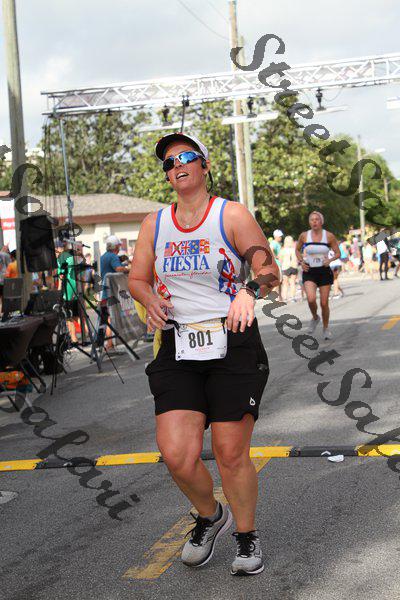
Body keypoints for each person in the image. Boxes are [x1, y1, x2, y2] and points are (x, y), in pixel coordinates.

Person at [128, 132, 280, 576]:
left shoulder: (229, 214)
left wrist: (249, 291)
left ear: (205, 165)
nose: (177, 165)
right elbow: (137, 278)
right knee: (177, 454)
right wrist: (149, 299)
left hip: (232, 340)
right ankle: (211, 515)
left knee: (230, 453)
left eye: (186, 157)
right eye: (169, 162)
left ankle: (247, 537)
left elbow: (268, 267)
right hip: (178, 344)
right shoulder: (155, 224)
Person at [295, 211, 340, 340]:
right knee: (311, 299)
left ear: (321, 222)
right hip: (309, 270)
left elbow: (338, 253)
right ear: (309, 222)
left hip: (324, 271)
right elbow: (297, 250)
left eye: (317, 219)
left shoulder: (329, 236)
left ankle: (326, 328)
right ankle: (315, 317)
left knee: (324, 303)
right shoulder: (304, 236)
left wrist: (329, 260)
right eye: (312, 220)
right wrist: (301, 262)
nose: (314, 221)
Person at [100, 235, 130, 350]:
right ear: (115, 247)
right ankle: (109, 344)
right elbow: (118, 269)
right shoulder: (113, 256)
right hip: (111, 292)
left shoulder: (104, 256)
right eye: (118, 246)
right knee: (111, 317)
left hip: (104, 291)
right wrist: (130, 269)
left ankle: (108, 343)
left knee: (107, 317)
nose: (119, 249)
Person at [278, 235, 298, 302]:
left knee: (285, 284)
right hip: (294, 267)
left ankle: (285, 298)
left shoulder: (282, 250)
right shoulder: (294, 250)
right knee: (292, 283)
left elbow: (280, 260)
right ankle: (292, 297)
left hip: (285, 267)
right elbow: (297, 259)